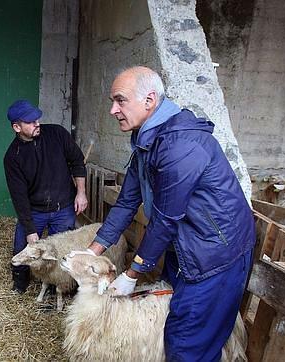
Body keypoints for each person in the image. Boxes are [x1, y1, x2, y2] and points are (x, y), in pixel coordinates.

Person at [78, 66, 254, 361]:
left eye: (120, 100)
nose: (112, 110)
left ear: (149, 100)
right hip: (187, 246)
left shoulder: (179, 146)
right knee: (174, 323)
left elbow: (165, 219)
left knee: (186, 344)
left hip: (215, 254)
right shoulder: (146, 143)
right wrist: (92, 252)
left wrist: (133, 273)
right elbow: (125, 204)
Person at [3, 99, 88, 294]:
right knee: (21, 248)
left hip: (63, 207)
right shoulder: (13, 157)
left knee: (59, 252)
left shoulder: (57, 134)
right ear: (17, 127)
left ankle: (53, 290)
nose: (37, 123)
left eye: (37, 119)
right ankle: (19, 286)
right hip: (34, 211)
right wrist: (30, 229)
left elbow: (77, 161)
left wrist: (81, 193)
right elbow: (19, 197)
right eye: (31, 122)